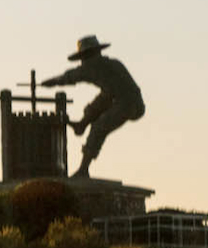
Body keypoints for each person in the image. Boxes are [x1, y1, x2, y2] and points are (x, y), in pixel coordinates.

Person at [43, 34, 145, 179]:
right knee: (97, 104)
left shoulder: (92, 67)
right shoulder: (110, 64)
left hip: (129, 103)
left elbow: (70, 77)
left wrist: (50, 82)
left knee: (98, 127)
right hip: (115, 97)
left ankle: (83, 169)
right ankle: (82, 124)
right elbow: (73, 76)